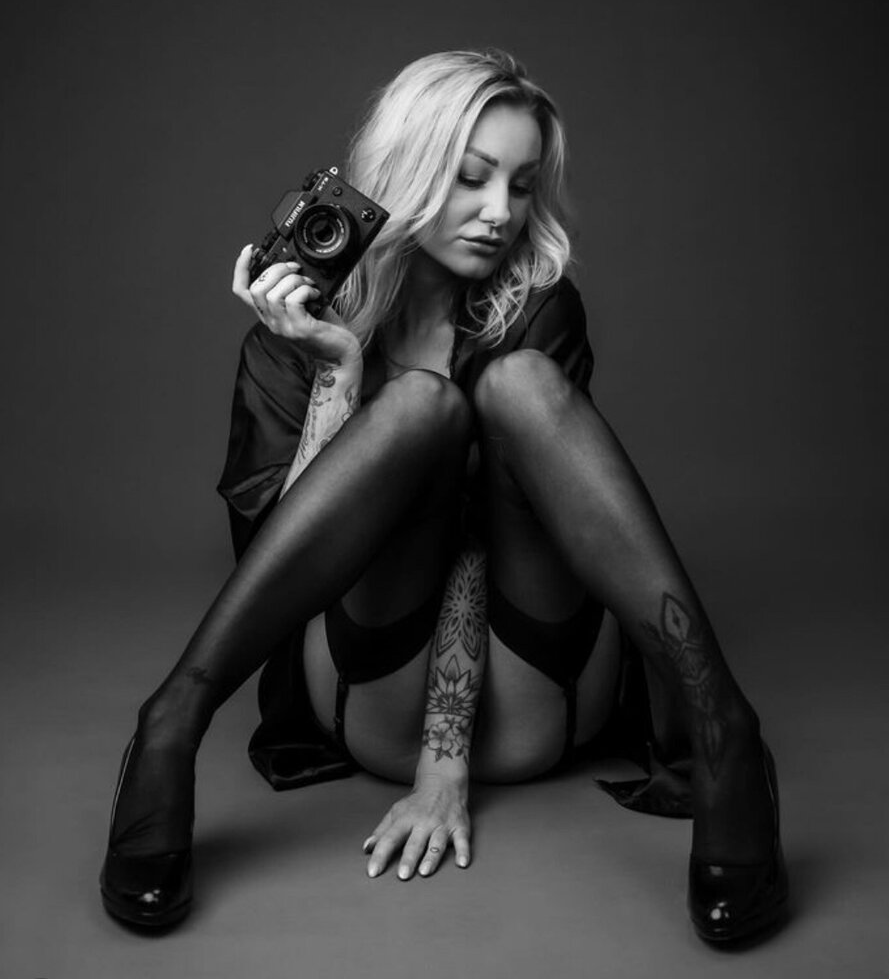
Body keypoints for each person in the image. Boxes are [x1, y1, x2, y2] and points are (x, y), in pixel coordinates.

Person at [99, 49, 788, 944]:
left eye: (521, 186)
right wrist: (336, 373)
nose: (500, 212)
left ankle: (722, 725)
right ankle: (171, 722)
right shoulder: (292, 330)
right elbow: (277, 570)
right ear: (409, 169)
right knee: (416, 408)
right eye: (470, 177)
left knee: (520, 386)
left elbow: (488, 541)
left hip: (538, 682)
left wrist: (445, 766)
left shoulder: (536, 309)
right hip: (367, 683)